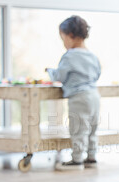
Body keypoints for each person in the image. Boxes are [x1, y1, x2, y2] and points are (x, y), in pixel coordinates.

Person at [46, 15, 101, 171]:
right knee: (92, 128)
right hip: (94, 95)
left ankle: (77, 160)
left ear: (70, 36)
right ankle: (91, 157)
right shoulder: (92, 55)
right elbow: (97, 74)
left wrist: (50, 72)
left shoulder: (69, 56)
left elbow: (60, 76)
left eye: (63, 39)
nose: (64, 43)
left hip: (79, 97)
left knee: (78, 128)